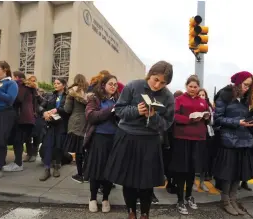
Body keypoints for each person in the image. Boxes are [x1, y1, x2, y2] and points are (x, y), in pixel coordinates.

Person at [104, 61, 175, 219]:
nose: (157, 85)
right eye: (155, 79)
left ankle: (145, 214)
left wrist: (154, 116)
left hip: (150, 140)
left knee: (146, 181)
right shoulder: (133, 86)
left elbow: (167, 124)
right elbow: (119, 110)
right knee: (127, 179)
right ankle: (131, 212)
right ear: (150, 74)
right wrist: (136, 110)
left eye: (163, 83)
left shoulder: (168, 97)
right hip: (127, 136)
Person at [213, 71, 253, 215]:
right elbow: (217, 119)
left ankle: (233, 199)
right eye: (245, 85)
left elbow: (244, 117)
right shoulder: (225, 95)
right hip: (228, 141)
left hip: (243, 140)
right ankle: (225, 201)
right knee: (228, 173)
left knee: (238, 173)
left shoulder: (244, 100)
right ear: (238, 83)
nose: (247, 88)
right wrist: (237, 122)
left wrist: (251, 121)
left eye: (249, 86)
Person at [168, 75, 209, 215]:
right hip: (182, 138)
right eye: (190, 86)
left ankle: (189, 196)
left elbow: (208, 117)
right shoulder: (179, 100)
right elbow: (174, 116)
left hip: (198, 139)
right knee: (181, 170)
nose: (193, 89)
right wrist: (189, 119)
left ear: (199, 87)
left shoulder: (203, 101)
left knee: (192, 169)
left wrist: (206, 116)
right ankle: (180, 200)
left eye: (195, 87)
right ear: (186, 86)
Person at [83, 74, 119, 213]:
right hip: (98, 139)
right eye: (111, 84)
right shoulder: (95, 99)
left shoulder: (118, 100)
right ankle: (92, 198)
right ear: (103, 85)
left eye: (115, 85)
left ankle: (105, 198)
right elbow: (91, 116)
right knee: (95, 170)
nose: (113, 87)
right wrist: (111, 110)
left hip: (113, 139)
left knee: (109, 171)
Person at [3, 71, 37, 172]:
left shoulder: (20, 86)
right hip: (27, 117)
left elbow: (18, 99)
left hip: (21, 117)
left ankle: (18, 163)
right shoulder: (29, 87)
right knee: (18, 141)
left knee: (17, 141)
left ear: (16, 77)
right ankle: (18, 163)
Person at [39, 78, 68, 181]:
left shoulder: (68, 96)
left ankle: (56, 166)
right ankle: (47, 169)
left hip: (62, 124)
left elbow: (67, 109)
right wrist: (44, 113)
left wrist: (57, 110)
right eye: (54, 83)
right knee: (48, 144)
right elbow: (40, 107)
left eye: (58, 83)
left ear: (63, 85)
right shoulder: (49, 95)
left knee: (59, 145)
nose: (55, 85)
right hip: (50, 124)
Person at [63, 74, 89, 183]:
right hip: (88, 122)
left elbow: (67, 109)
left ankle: (80, 175)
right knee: (87, 150)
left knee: (79, 151)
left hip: (76, 123)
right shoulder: (89, 91)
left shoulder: (72, 92)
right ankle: (88, 174)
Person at [197, 88, 215, 190]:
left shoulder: (209, 107)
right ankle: (193, 182)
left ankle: (202, 182)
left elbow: (212, 122)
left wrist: (208, 118)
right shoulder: (193, 105)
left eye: (203, 95)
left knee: (205, 159)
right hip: (195, 134)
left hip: (207, 134)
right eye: (199, 95)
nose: (201, 97)